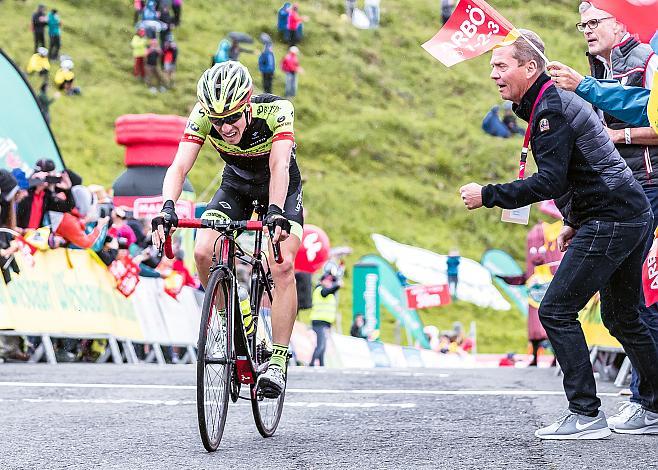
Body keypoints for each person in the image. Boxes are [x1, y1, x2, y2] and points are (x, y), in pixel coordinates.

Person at [459, 29, 658, 439]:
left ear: (529, 68)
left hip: (613, 217)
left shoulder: (550, 109)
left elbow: (548, 180)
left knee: (555, 310)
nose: (493, 74)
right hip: (625, 212)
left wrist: (489, 195)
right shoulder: (543, 104)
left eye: (501, 65)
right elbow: (577, 170)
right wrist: (572, 220)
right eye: (492, 66)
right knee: (622, 315)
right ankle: (654, 407)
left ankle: (585, 414)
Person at [151, 61, 304, 399]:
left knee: (282, 264)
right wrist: (167, 208)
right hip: (236, 187)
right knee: (204, 250)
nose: (225, 127)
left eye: (232, 118)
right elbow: (178, 165)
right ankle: (240, 319)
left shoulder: (277, 109)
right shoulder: (204, 114)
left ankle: (278, 361)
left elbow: (279, 165)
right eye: (217, 121)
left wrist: (276, 212)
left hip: (280, 188)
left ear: (247, 105)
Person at [549, 3, 658, 432]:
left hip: (647, 188)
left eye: (595, 21)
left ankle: (644, 402)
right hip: (617, 195)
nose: (587, 31)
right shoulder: (597, 67)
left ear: (621, 22)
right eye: (583, 23)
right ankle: (646, 401)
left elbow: (652, 115)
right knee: (622, 311)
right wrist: (578, 215)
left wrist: (618, 131)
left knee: (634, 304)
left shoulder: (643, 60)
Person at [309, 273, 340, 366]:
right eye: (326, 281)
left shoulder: (328, 292)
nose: (329, 283)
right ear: (321, 281)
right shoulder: (320, 290)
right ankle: (311, 364)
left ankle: (322, 365)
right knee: (321, 345)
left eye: (330, 281)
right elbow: (327, 291)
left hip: (325, 322)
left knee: (323, 346)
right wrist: (337, 285)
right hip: (319, 321)